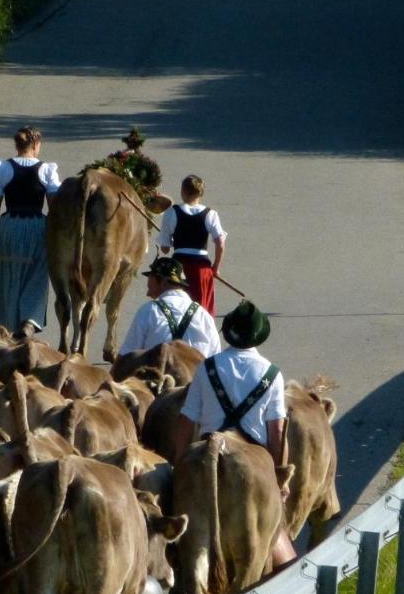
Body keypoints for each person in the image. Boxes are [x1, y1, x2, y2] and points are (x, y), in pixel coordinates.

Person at [173, 300, 298, 565]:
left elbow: (187, 420)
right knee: (280, 550)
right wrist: (278, 478)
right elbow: (276, 431)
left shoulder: (206, 368)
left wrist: (179, 466)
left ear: (228, 332)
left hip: (205, 448)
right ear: (259, 335)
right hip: (254, 452)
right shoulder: (272, 374)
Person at [0, 126, 62, 331]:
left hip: (9, 227)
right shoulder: (47, 170)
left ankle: (1, 326)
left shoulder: (2, 168)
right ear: (35, 145)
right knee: (36, 275)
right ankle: (29, 321)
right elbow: (56, 208)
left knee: (4, 276)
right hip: (37, 228)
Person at [119, 256, 221, 358]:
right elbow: (216, 361)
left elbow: (126, 356)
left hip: (156, 372)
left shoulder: (149, 311)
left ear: (163, 283)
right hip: (194, 373)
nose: (147, 294)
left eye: (150, 285)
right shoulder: (204, 317)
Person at [156, 175, 227, 317]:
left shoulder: (171, 212)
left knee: (177, 312)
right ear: (200, 193)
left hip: (178, 269)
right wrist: (216, 268)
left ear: (183, 191)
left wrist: (171, 239)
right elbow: (220, 242)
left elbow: (165, 248)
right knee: (201, 314)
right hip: (202, 270)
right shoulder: (210, 214)